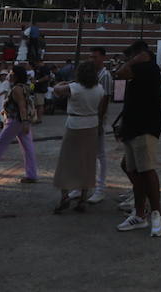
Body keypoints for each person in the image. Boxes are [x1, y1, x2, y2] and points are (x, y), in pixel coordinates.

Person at [115, 39, 161, 237]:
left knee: (147, 170)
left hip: (145, 127)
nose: (127, 60)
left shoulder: (148, 68)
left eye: (130, 56)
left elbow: (120, 73)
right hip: (133, 127)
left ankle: (156, 214)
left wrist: (135, 59)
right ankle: (139, 214)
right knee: (135, 171)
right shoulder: (142, 68)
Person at [51, 60, 107, 214]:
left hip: (75, 124)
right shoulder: (99, 88)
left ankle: (65, 196)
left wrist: (65, 82)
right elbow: (101, 108)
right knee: (87, 162)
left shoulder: (74, 87)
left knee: (67, 162)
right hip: (92, 124)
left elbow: (56, 89)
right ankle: (83, 198)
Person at [88, 47, 115, 203]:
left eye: (95, 57)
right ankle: (84, 186)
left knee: (100, 154)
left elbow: (105, 100)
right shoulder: (93, 74)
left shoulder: (105, 75)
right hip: (89, 117)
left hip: (96, 119)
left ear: (103, 58)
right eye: (91, 57)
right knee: (89, 154)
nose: (92, 60)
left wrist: (99, 120)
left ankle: (100, 189)